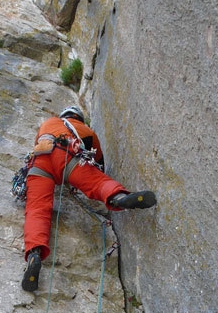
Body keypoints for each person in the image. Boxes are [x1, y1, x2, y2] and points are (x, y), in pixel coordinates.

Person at [22, 106, 157, 291]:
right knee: (97, 182)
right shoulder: (85, 130)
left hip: (39, 161)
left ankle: (34, 253)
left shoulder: (48, 123)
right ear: (78, 118)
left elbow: (38, 143)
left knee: (36, 210)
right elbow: (98, 162)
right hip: (67, 155)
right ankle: (118, 197)